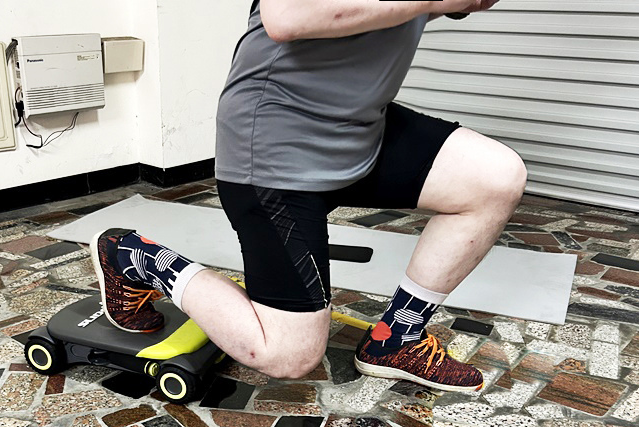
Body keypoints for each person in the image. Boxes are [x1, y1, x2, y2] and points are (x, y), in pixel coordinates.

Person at [91, 0, 526, 393]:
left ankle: (396, 339)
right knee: (288, 356)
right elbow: (287, 16)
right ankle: (133, 256)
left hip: (359, 130)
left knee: (494, 178)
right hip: (275, 147)